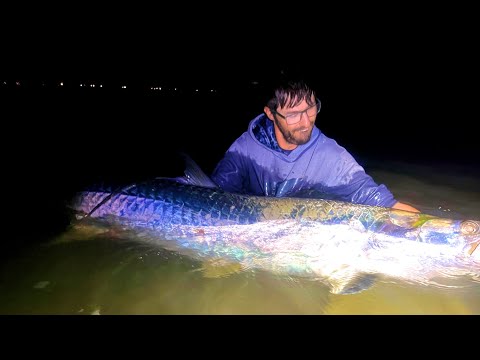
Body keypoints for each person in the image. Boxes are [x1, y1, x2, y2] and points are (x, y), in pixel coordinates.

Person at [210, 77, 420, 212]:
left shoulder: (330, 155)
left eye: (310, 109)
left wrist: (419, 225)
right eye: (292, 115)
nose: (306, 122)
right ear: (270, 114)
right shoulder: (244, 150)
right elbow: (213, 199)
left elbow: (378, 201)